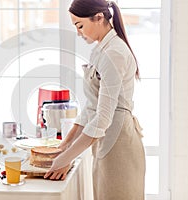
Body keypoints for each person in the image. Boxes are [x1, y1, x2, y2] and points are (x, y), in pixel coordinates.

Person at [44, 0, 146, 199]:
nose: (79, 33)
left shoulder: (114, 53)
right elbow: (93, 106)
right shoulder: (101, 50)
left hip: (119, 144)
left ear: (99, 18)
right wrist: (65, 144)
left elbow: (102, 118)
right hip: (106, 141)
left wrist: (67, 157)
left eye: (80, 26)